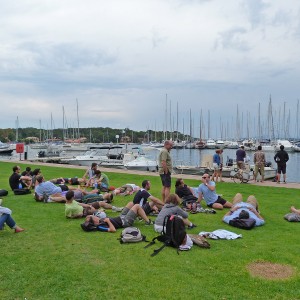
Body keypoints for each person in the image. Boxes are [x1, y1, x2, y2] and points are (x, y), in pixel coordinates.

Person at [85, 202, 154, 232]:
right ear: (94, 221)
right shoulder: (100, 226)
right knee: (137, 206)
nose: (94, 216)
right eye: (93, 216)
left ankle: (137, 215)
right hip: (125, 222)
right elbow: (113, 230)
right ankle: (148, 222)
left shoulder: (98, 221)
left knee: (131, 203)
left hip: (121, 217)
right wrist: (108, 221)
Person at [34, 175, 98, 202]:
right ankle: (87, 192)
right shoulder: (47, 183)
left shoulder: (37, 188)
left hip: (52, 194)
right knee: (74, 189)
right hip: (58, 189)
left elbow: (38, 195)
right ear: (42, 179)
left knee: (73, 190)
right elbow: (54, 187)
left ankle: (87, 192)